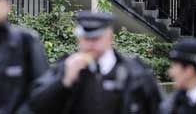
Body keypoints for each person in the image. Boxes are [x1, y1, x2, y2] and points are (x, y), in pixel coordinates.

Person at [30, 11, 162, 114]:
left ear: (110, 38)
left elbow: (157, 108)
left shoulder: (135, 71)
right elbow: (37, 106)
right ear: (78, 39)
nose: (90, 44)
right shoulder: (65, 68)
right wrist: (64, 82)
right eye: (86, 39)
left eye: (96, 38)